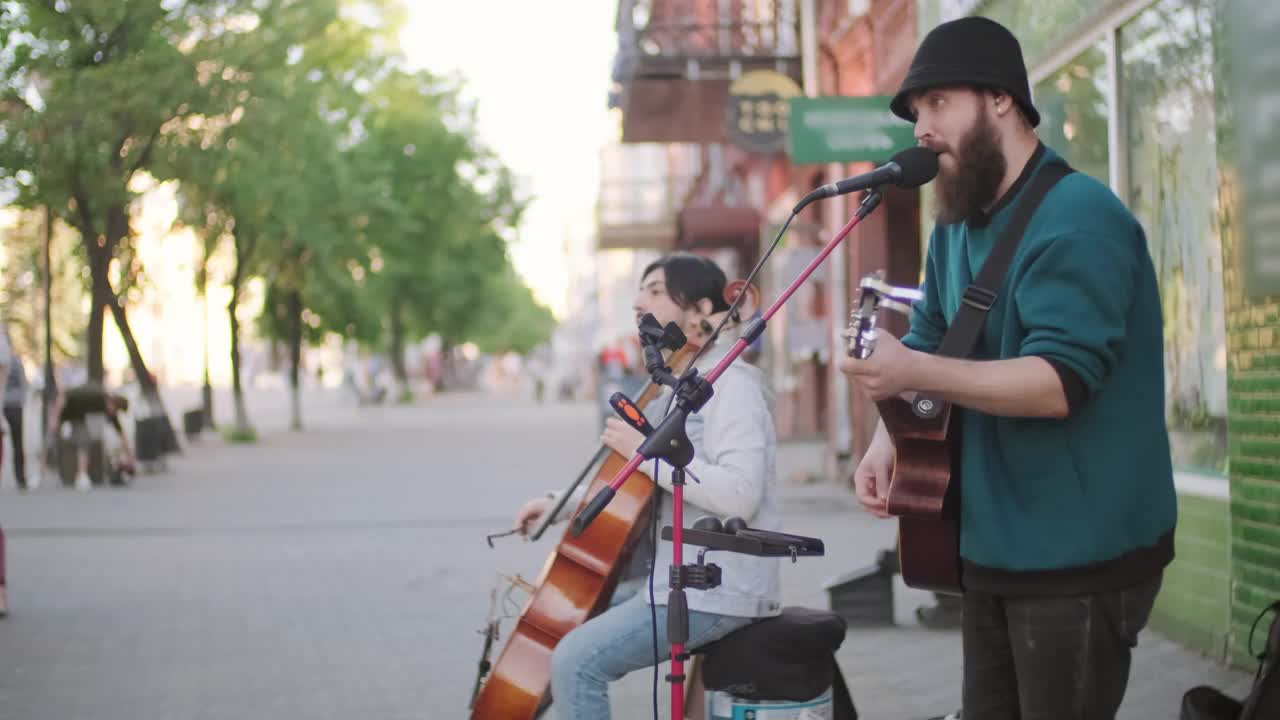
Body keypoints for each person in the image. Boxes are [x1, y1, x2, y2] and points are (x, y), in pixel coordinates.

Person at [839, 16, 1176, 720]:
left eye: (937, 104)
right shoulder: (956, 222)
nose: (921, 129)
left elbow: (1057, 383)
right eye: (913, 113)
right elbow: (931, 336)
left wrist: (912, 374)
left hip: (1076, 554)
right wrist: (887, 440)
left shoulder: (1080, 216)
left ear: (1001, 99)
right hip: (992, 544)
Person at [513, 252, 782, 720]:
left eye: (656, 291)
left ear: (701, 310)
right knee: (562, 620)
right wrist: (557, 504)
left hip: (716, 590)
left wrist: (647, 451)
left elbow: (741, 494)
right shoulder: (681, 386)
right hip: (675, 580)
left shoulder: (731, 384)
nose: (639, 303)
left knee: (577, 660)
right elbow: (634, 487)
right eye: (640, 292)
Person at [48, 383, 135, 490]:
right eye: (116, 411)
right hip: (62, 408)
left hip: (77, 416)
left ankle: (82, 475)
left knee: (84, 439)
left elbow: (121, 434)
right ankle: (40, 473)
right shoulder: (96, 394)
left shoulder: (108, 409)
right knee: (49, 439)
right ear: (113, 403)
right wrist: (55, 418)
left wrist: (130, 457)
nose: (114, 414)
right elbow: (64, 395)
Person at [2, 326, 29, 491]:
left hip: (10, 404)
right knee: (17, 443)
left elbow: (23, 383)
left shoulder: (14, 361)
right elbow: (24, 383)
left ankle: (21, 478)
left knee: (16, 443)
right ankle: (21, 478)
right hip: (13, 405)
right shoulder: (17, 361)